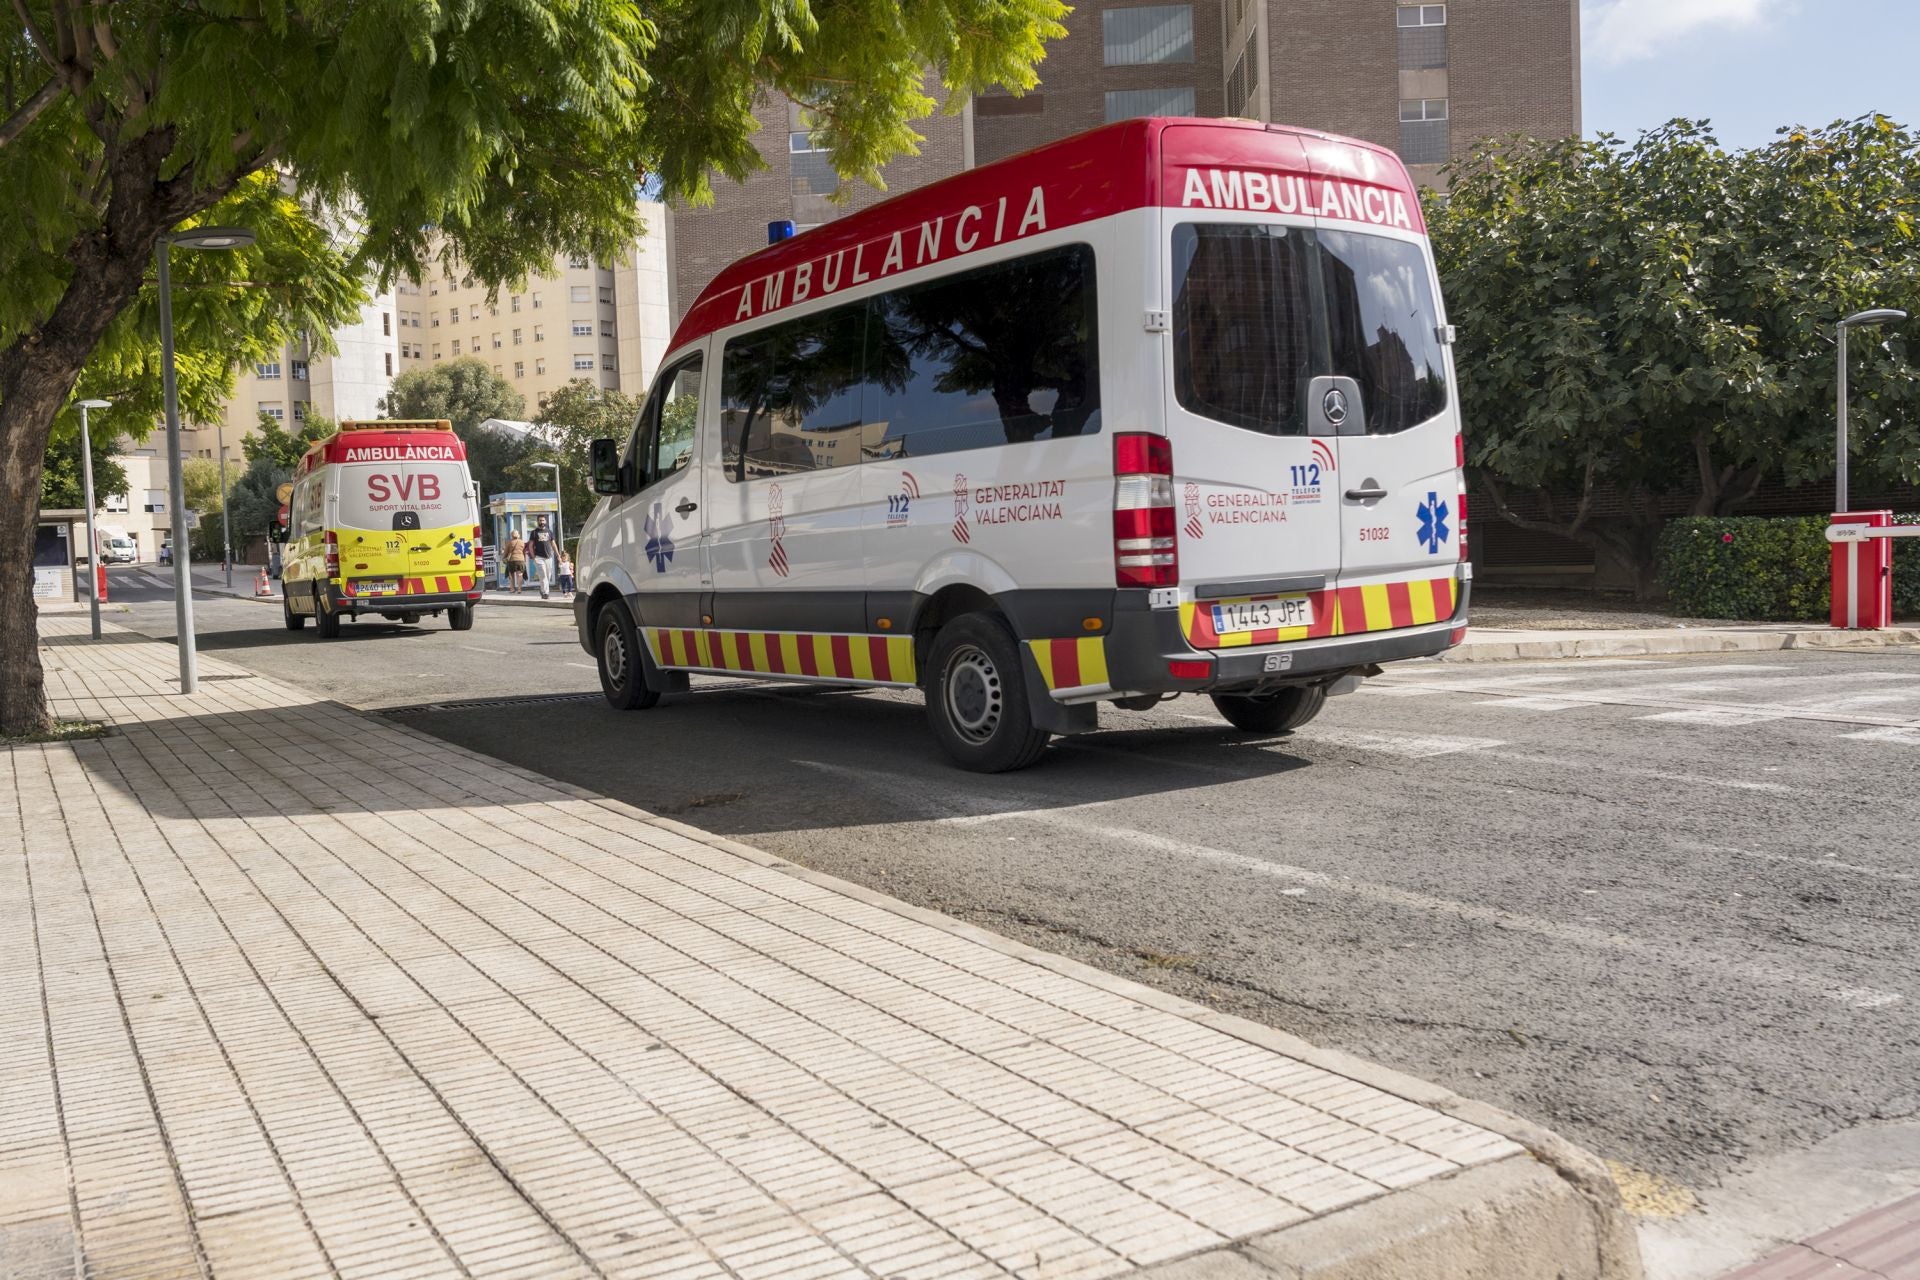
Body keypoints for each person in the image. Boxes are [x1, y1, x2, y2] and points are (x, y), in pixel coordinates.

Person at [526, 517, 557, 600]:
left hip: (548, 557)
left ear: (545, 521)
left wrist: (558, 556)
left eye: (543, 520)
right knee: (543, 576)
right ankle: (546, 593)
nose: (542, 522)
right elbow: (530, 545)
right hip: (539, 557)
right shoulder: (534, 532)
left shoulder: (549, 532)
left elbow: (553, 544)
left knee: (548, 575)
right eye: (540, 520)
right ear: (537, 522)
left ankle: (542, 590)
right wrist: (533, 557)